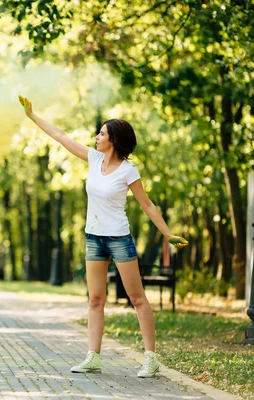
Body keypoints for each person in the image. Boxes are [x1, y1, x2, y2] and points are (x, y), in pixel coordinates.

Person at [18, 96, 187, 378]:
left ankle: (151, 358)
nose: (97, 137)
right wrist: (33, 116)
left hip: (119, 238)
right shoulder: (94, 159)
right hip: (93, 238)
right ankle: (93, 357)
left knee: (137, 298)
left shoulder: (128, 171)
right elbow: (60, 136)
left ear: (114, 140)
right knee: (95, 299)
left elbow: (146, 204)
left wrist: (167, 233)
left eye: (102, 134)